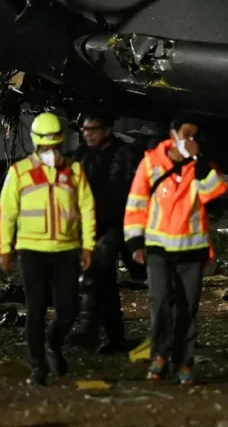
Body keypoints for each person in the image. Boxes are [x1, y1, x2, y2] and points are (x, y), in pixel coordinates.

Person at [124, 112, 228, 385]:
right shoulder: (151, 163)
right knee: (160, 304)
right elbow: (136, 203)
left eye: (195, 135)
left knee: (187, 308)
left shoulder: (199, 167)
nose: (190, 140)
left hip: (191, 249)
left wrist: (200, 159)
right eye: (186, 135)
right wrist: (135, 242)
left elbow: (215, 190)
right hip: (158, 247)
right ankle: (159, 356)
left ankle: (184, 362)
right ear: (173, 135)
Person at [0, 112, 96, 386]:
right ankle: (38, 367)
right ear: (36, 143)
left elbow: (87, 210)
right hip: (32, 251)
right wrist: (5, 249)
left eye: (55, 144)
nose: (51, 150)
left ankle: (53, 343)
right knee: (36, 310)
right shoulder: (19, 173)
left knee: (68, 310)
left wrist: (87, 246)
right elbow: (7, 213)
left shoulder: (74, 172)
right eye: (46, 145)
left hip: (66, 249)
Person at [69, 112, 142, 354]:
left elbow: (133, 192)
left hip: (116, 224)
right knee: (105, 281)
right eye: (84, 130)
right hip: (90, 225)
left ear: (107, 130)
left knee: (95, 272)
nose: (88, 134)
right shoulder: (81, 155)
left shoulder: (125, 154)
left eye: (93, 129)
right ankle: (114, 336)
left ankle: (88, 328)